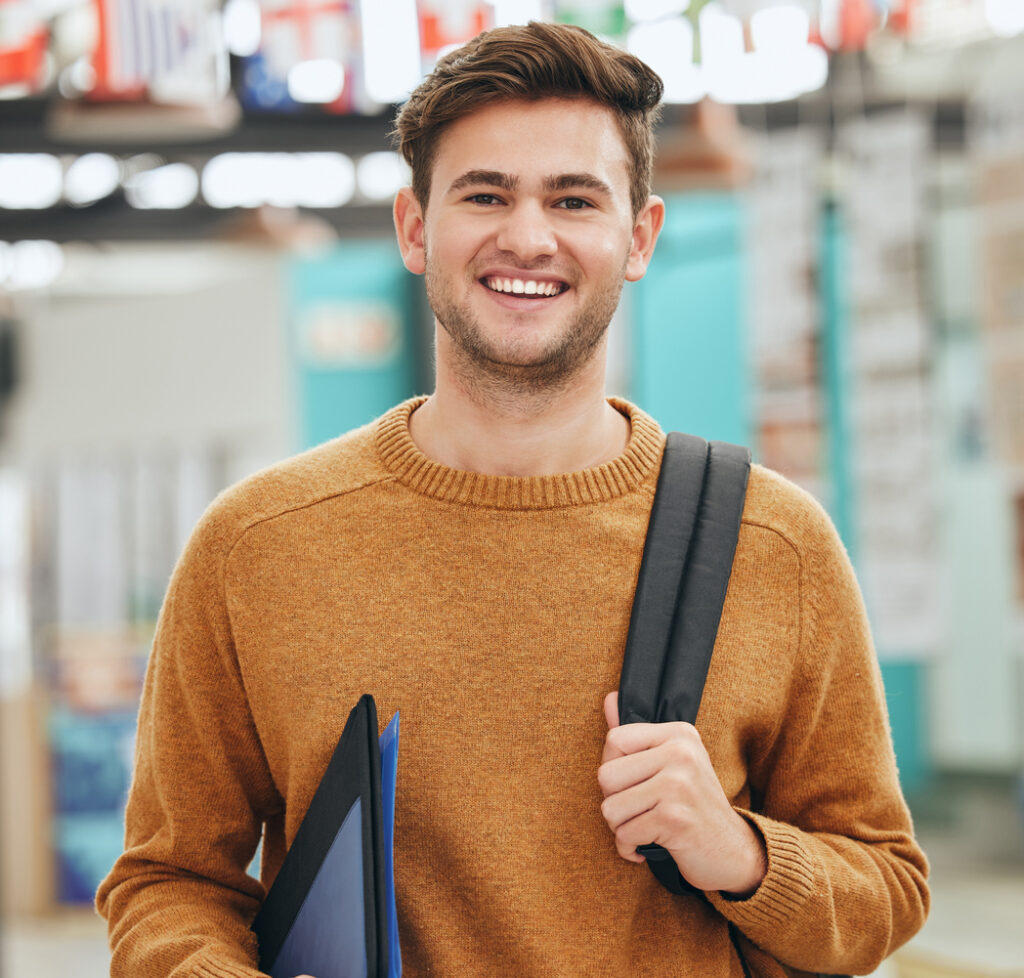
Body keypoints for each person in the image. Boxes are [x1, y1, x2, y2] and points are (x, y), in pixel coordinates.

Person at [97, 21, 929, 978]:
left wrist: (741, 855)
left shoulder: (771, 543)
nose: (527, 236)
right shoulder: (256, 548)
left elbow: (885, 894)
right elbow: (167, 880)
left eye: (574, 199)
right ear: (415, 227)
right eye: (484, 194)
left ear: (639, 237)